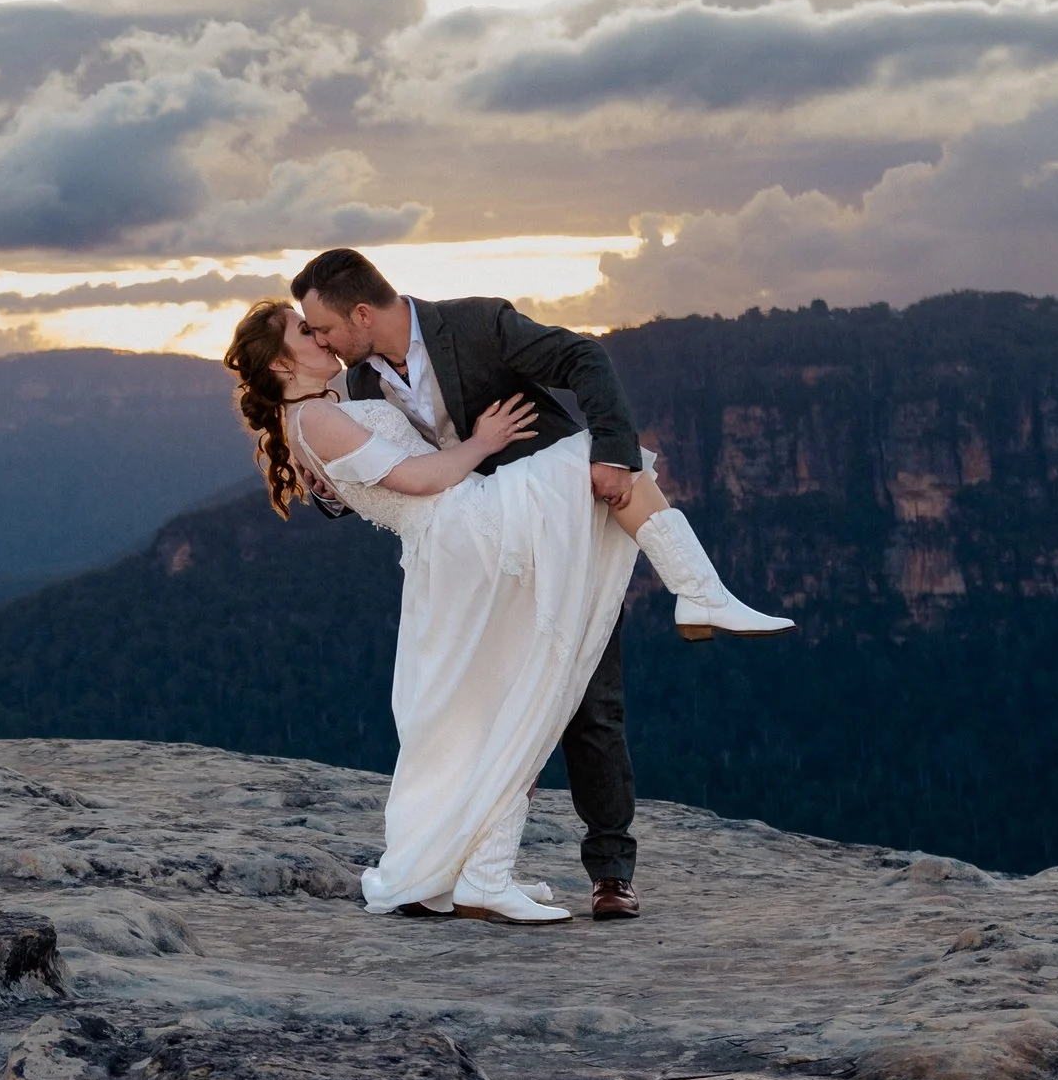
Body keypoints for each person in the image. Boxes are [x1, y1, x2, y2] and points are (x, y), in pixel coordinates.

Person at [222, 273, 788, 926]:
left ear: (357, 312)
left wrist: (336, 484)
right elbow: (407, 477)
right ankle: (698, 591)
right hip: (467, 527)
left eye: (319, 325)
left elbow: (578, 360)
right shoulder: (334, 401)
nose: (318, 337)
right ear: (281, 360)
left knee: (525, 693)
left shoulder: (443, 340)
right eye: (304, 332)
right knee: (589, 467)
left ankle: (503, 871)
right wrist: (482, 444)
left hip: (467, 532)